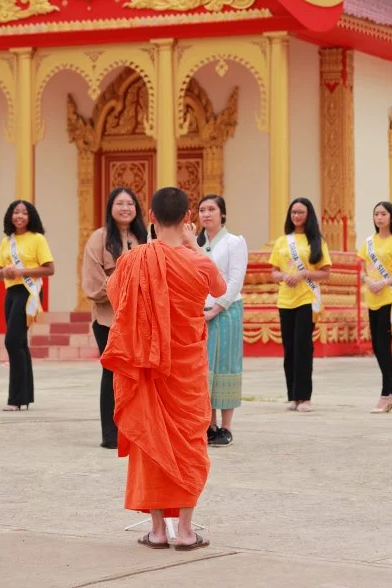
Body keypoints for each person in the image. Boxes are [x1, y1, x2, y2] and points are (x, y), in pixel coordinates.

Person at [101, 186, 226, 551]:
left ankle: (157, 530)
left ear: (150, 217)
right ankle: (185, 531)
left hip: (148, 366)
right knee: (189, 442)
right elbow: (218, 287)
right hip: (187, 368)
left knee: (151, 438)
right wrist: (194, 246)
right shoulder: (200, 262)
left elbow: (114, 297)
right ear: (188, 218)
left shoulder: (133, 260)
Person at [82, 187, 148, 448]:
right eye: (119, 203)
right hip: (108, 318)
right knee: (112, 373)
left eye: (130, 204)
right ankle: (111, 435)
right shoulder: (98, 238)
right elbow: (92, 281)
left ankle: (137, 433)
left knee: (140, 375)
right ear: (110, 208)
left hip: (141, 318)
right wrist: (120, 285)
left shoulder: (146, 237)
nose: (125, 208)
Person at [269, 198, 331, 412]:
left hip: (307, 298)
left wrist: (304, 273)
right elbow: (273, 272)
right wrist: (284, 275)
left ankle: (305, 397)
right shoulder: (282, 241)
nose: (296, 215)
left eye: (301, 212)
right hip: (285, 299)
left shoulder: (317, 241)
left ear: (308, 214)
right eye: (293, 212)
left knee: (303, 347)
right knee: (289, 348)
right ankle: (292, 396)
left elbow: (325, 273)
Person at [0, 200, 55, 411]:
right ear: (10, 216)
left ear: (31, 217)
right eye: (16, 212)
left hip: (29, 292)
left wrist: (22, 272)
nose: (19, 216)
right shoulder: (6, 241)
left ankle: (16, 399)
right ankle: (24, 397)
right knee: (19, 343)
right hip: (11, 292)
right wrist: (6, 272)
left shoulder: (37, 239)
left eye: (24, 213)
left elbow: (49, 269)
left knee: (12, 341)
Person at [197, 194, 248, 447]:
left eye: (211, 209)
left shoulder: (234, 242)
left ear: (222, 214)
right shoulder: (195, 244)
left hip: (227, 310)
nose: (206, 214)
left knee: (226, 364)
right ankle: (209, 423)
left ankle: (226, 427)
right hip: (199, 312)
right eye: (202, 210)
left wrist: (216, 308)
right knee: (205, 368)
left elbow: (235, 279)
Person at [358, 200, 392, 414]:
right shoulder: (368, 242)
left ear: (391, 218)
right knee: (377, 346)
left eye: (383, 214)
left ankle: (386, 394)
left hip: (389, 298)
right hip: (372, 297)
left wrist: (384, 282)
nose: (379, 217)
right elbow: (362, 270)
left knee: (384, 346)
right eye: (376, 214)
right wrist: (369, 281)